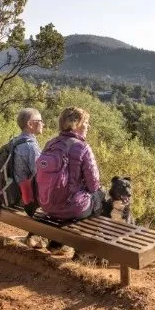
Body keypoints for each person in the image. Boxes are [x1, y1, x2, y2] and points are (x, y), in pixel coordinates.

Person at [42, 106, 105, 253]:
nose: (88, 126)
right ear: (75, 124)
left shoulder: (50, 144)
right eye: (86, 122)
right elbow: (94, 185)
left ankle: (56, 244)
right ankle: (84, 252)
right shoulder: (83, 148)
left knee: (71, 199)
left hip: (47, 205)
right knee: (99, 197)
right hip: (72, 208)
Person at [13, 107, 44, 248]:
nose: (43, 123)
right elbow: (41, 175)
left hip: (14, 193)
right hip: (26, 201)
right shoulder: (31, 147)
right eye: (40, 120)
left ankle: (36, 237)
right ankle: (54, 242)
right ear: (31, 124)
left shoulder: (15, 141)